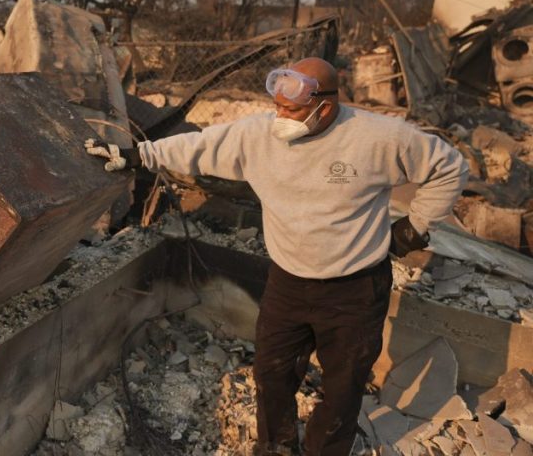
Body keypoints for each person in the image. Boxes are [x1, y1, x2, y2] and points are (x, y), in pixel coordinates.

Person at [86, 57, 468, 456]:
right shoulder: (258, 136)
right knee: (272, 375)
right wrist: (138, 155)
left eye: (292, 109)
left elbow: (449, 166)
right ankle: (275, 447)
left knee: (343, 386)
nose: (280, 116)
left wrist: (414, 228)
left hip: (354, 290)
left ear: (326, 105)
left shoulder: (378, 137)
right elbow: (198, 147)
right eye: (278, 107)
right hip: (287, 284)